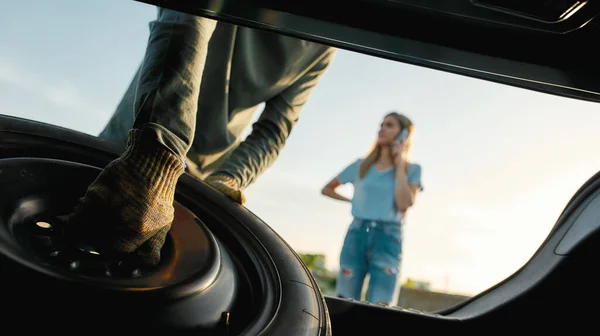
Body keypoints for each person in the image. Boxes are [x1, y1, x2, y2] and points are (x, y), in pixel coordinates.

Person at [66, 8, 336, 268]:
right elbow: (185, 23)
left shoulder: (325, 44)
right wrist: (156, 155)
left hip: (200, 181)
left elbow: (274, 130)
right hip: (132, 148)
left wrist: (230, 178)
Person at [321, 112, 423, 305]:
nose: (381, 129)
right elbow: (326, 189)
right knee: (345, 301)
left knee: (382, 305)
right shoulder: (360, 166)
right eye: (381, 124)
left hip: (388, 237)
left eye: (389, 125)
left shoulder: (413, 169)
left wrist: (400, 164)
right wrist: (351, 201)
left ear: (404, 134)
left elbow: (404, 203)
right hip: (357, 233)